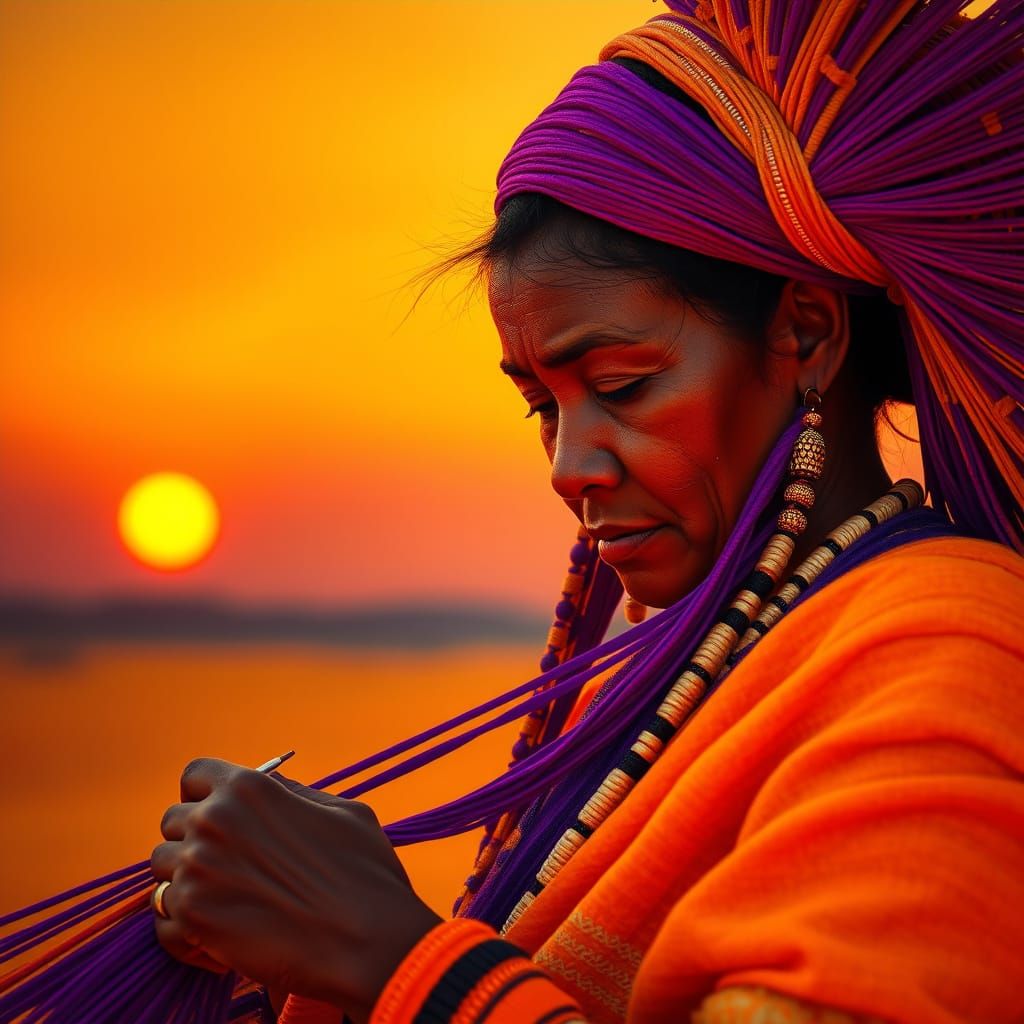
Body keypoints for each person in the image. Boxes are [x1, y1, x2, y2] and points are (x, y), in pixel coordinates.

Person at [149, 2, 1024, 1022]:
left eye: (619, 383)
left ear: (807, 333)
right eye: (539, 404)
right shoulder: (712, 657)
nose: (569, 464)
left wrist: (389, 956)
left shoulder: (953, 653)